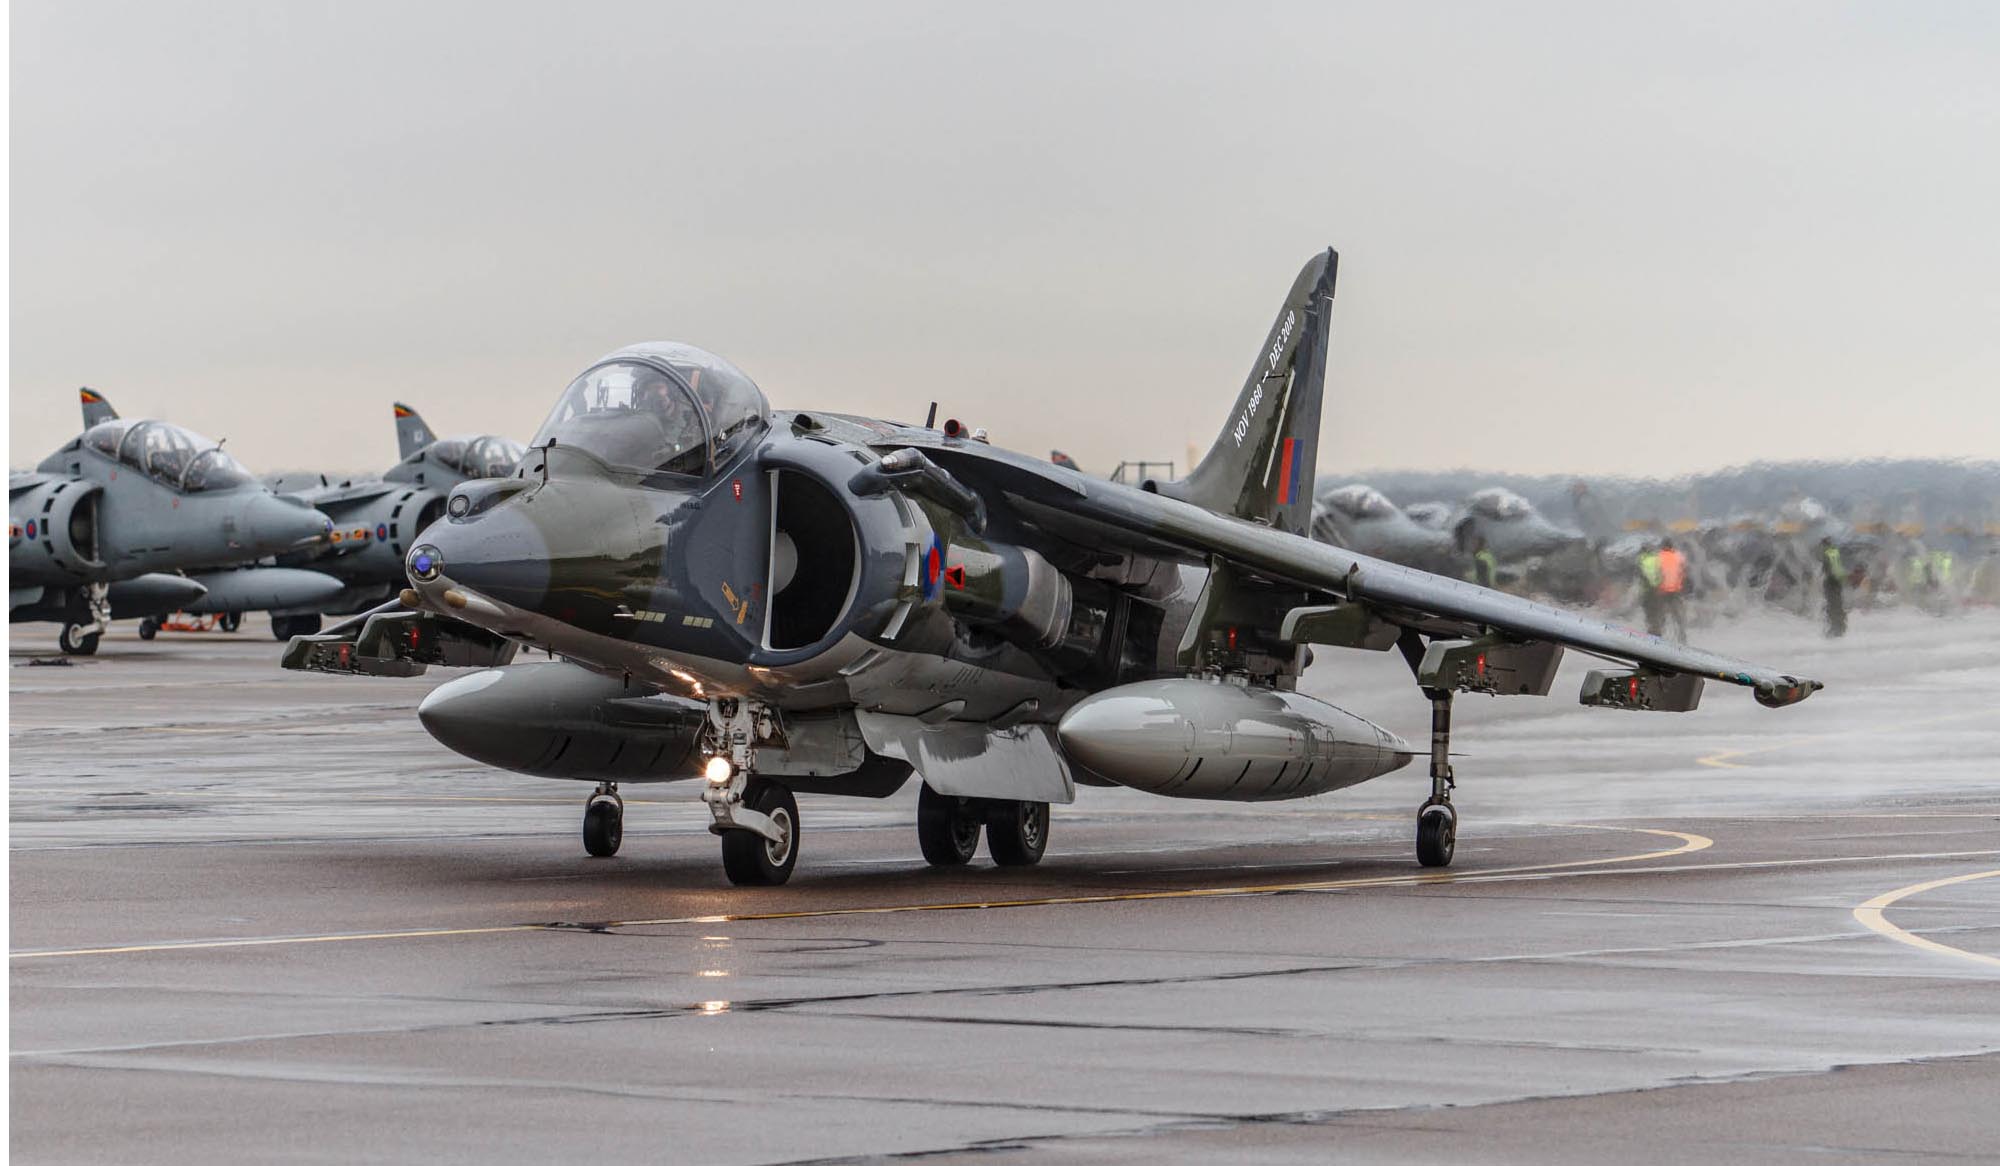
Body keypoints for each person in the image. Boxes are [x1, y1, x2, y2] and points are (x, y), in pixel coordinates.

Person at [1657, 537, 1688, 641]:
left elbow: (1657, 574)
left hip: (1663, 591)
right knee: (1678, 614)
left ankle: (1659, 637)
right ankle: (1682, 635)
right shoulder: (1679, 556)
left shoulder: (1659, 557)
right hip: (1676, 590)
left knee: (1661, 615)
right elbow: (1684, 570)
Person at [1820, 536, 1848, 637]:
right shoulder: (1834, 551)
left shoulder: (1829, 552)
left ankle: (1836, 627)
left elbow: (1832, 568)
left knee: (1832, 604)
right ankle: (1838, 626)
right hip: (1836, 581)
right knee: (1835, 604)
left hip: (1832, 581)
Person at [1637, 541, 1665, 636]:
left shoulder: (1641, 559)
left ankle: (1653, 629)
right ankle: (1657, 629)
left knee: (1649, 611)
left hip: (1647, 590)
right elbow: (1661, 573)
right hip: (1657, 589)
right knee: (1656, 610)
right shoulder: (1656, 558)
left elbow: (1641, 575)